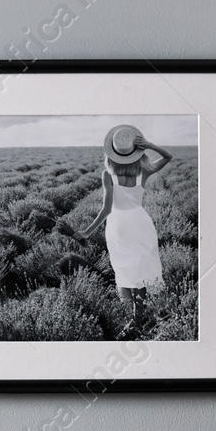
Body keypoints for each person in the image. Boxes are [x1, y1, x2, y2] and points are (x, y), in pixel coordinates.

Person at [77, 124, 172, 335]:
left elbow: (106, 209)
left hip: (119, 227)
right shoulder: (144, 172)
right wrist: (148, 145)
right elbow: (168, 156)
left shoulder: (107, 175)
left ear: (112, 154)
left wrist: (87, 232)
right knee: (143, 268)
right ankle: (145, 316)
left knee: (126, 269)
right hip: (141, 223)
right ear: (135, 153)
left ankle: (136, 319)